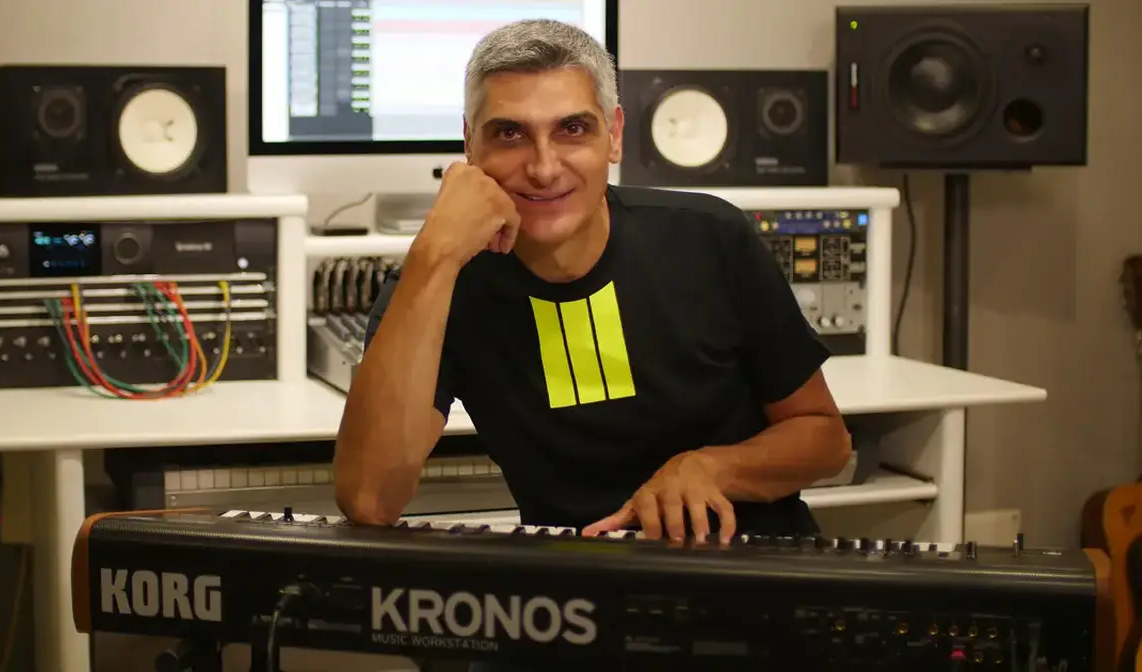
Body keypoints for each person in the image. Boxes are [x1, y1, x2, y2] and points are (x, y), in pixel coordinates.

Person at [334, 18, 850, 557]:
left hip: (749, 567)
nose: (543, 168)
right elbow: (369, 500)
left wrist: (711, 468)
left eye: (572, 129)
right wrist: (434, 253)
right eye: (509, 134)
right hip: (575, 587)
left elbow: (825, 437)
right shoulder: (435, 284)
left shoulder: (710, 237)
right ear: (469, 145)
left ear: (615, 135)